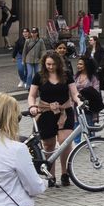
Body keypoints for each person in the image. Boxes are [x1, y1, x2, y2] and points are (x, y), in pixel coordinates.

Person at [27, 52, 78, 186]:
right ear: (44, 63)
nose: (51, 67)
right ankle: (51, 175)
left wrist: (79, 100)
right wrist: (32, 106)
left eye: (54, 64)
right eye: (48, 64)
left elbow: (74, 93)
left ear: (58, 64)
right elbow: (32, 95)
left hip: (64, 112)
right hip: (46, 112)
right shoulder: (39, 76)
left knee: (64, 142)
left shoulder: (66, 75)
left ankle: (65, 173)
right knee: (48, 145)